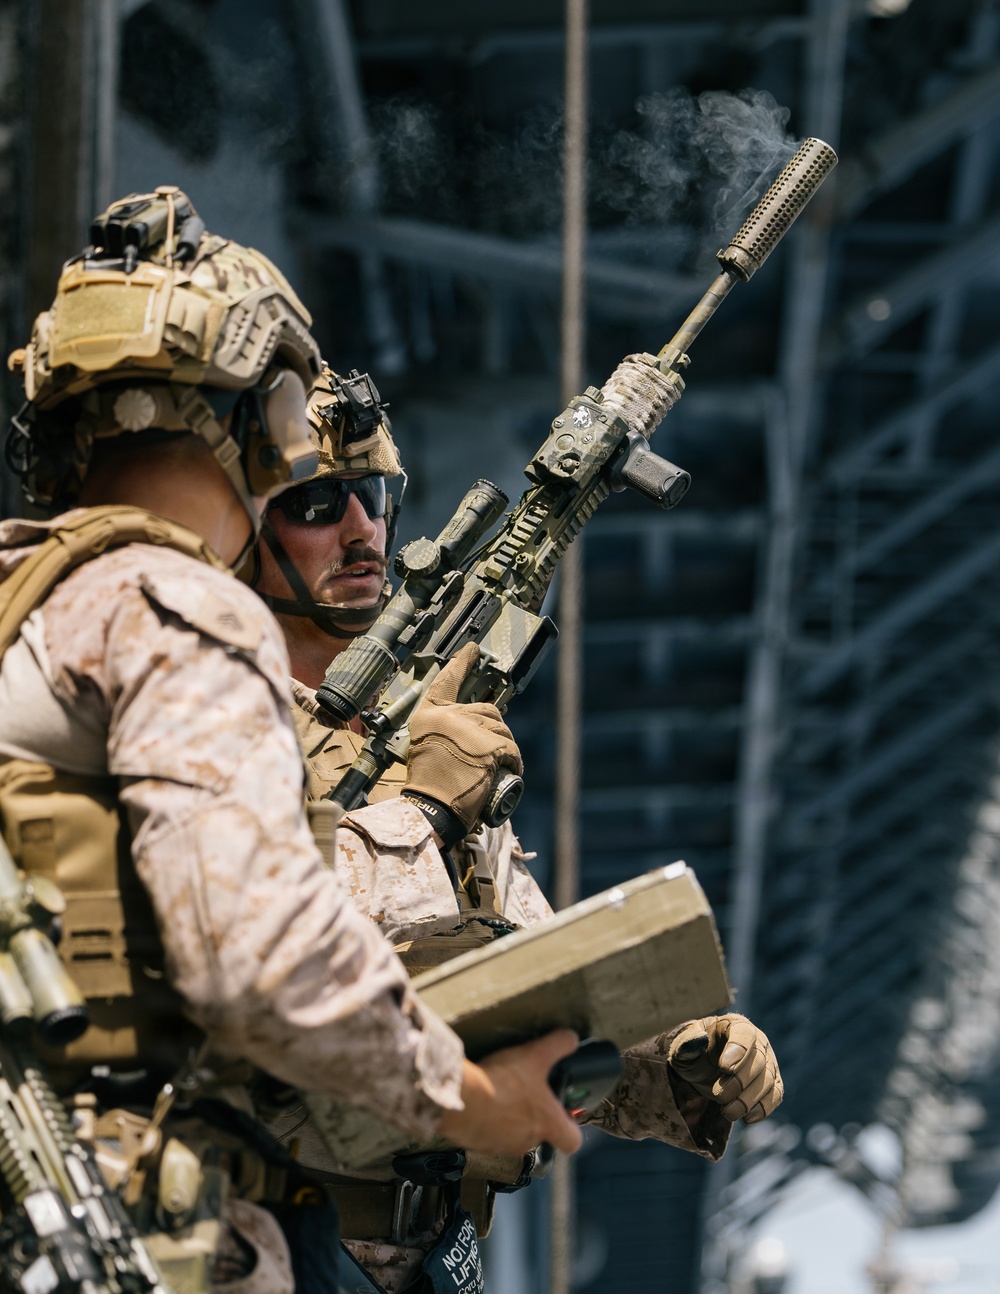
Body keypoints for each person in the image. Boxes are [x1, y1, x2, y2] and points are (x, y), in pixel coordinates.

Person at [0, 189, 581, 1294]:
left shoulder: (23, 599)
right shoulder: (175, 606)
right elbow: (255, 958)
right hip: (126, 1214)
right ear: (263, 413)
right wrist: (463, 1094)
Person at [249, 363, 785, 1294]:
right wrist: (424, 808)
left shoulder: (420, 739)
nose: (364, 529)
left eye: (375, 498)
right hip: (267, 1242)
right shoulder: (216, 723)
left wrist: (676, 1062)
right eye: (317, 502)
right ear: (234, 530)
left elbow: (524, 998)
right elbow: (275, 970)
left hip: (417, 1257)